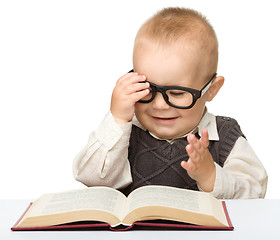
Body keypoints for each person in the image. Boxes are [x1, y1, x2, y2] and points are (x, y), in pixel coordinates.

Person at [73, 7, 267, 198]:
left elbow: (255, 193)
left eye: (176, 93)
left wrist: (212, 176)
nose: (159, 105)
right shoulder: (126, 132)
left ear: (211, 90)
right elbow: (93, 181)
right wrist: (117, 119)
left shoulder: (225, 136)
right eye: (147, 88)